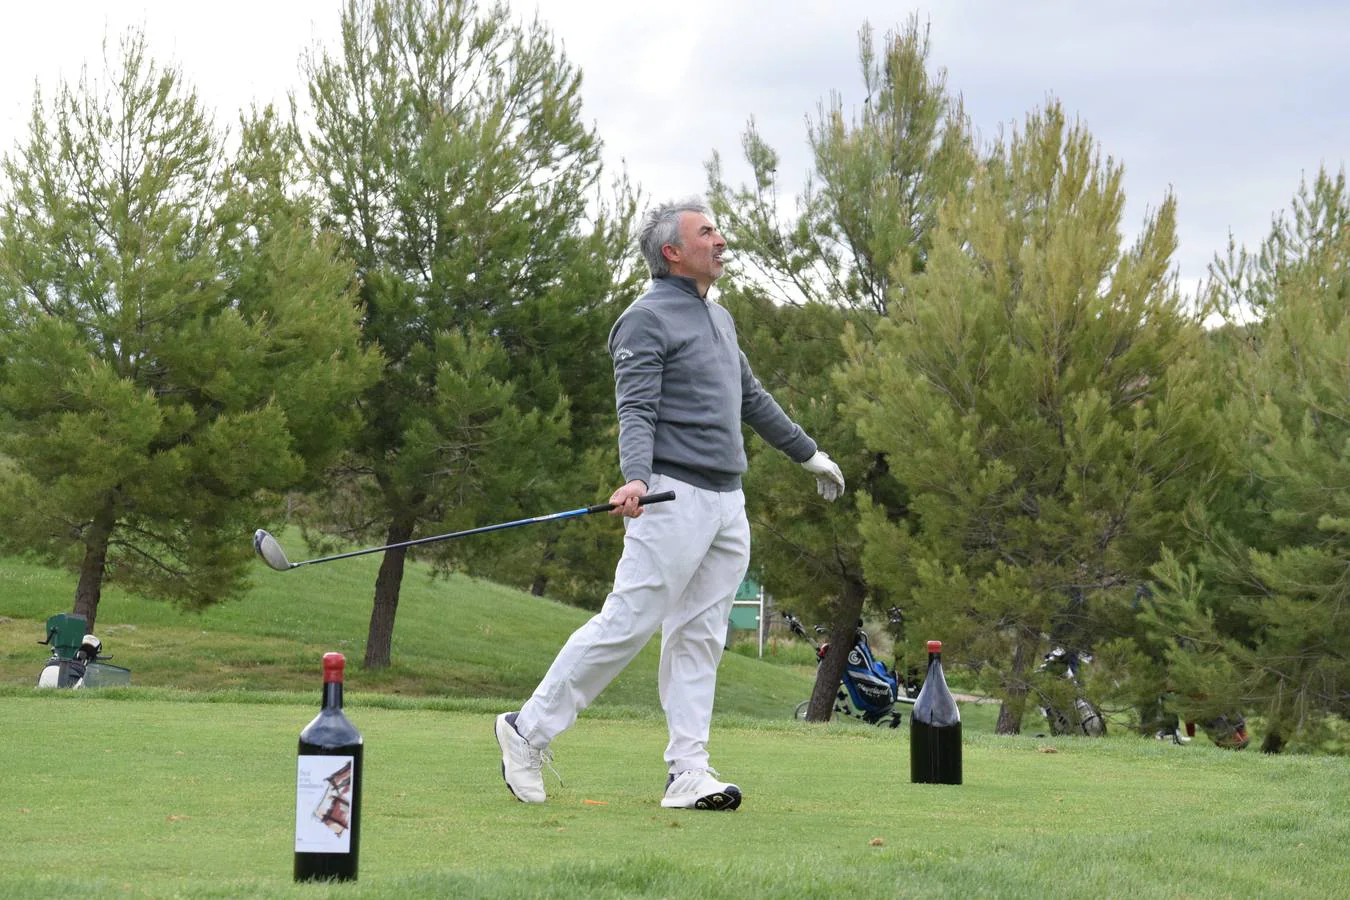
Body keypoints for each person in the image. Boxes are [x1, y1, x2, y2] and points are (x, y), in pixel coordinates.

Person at [494, 197, 845, 811]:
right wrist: (634, 478)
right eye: (707, 232)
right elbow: (636, 408)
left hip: (727, 502)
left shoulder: (720, 318)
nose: (721, 240)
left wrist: (808, 453)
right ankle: (527, 730)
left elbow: (752, 398)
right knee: (627, 623)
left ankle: (688, 770)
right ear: (672, 253)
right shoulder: (644, 318)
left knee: (700, 637)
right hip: (670, 494)